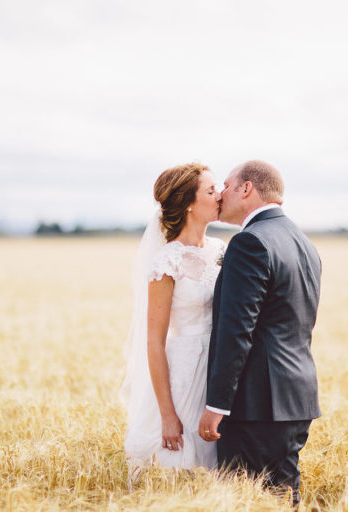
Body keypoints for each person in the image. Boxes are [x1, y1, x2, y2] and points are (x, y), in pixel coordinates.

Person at [198, 160, 322, 505]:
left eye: (226, 185)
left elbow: (237, 330)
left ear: (247, 189)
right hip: (296, 398)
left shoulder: (250, 242)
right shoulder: (303, 242)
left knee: (248, 502)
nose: (221, 193)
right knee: (282, 498)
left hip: (256, 405)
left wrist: (217, 403)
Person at [122, 163, 225, 477]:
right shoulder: (167, 260)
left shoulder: (222, 250)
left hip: (218, 365)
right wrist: (167, 414)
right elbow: (154, 340)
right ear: (190, 203)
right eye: (211, 190)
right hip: (184, 371)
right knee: (182, 465)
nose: (220, 195)